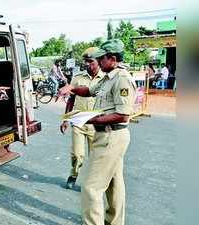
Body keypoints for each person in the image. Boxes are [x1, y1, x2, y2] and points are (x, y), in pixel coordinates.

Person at [58, 39, 136, 225]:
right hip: (109, 135)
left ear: (113, 59)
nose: (99, 62)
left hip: (111, 136)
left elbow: (123, 115)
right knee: (114, 184)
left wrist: (90, 119)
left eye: (102, 58)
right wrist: (71, 88)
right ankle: (114, 222)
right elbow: (87, 91)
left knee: (91, 188)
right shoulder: (108, 77)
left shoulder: (121, 79)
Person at [59, 47, 104, 189]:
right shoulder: (78, 78)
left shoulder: (105, 78)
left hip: (96, 124)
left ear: (99, 62)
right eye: (86, 61)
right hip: (78, 121)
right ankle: (73, 174)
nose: (87, 64)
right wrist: (65, 119)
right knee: (77, 154)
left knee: (95, 156)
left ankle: (92, 182)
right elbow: (71, 100)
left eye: (90, 61)